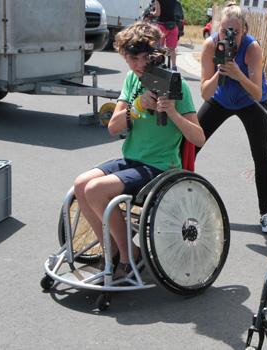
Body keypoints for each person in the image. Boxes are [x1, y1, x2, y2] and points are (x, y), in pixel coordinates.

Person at [73, 21, 205, 278]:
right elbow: (113, 127)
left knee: (95, 189)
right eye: (133, 58)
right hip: (132, 160)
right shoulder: (132, 81)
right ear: (124, 57)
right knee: (81, 185)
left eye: (146, 58)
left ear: (157, 55)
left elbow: (198, 138)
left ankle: (129, 254)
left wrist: (173, 114)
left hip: (159, 166)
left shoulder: (177, 85)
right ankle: (110, 249)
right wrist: (137, 106)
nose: (139, 65)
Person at [196, 4, 267, 234]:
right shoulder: (210, 45)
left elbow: (257, 93)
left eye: (234, 32)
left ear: (244, 31)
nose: (228, 36)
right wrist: (220, 72)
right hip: (220, 99)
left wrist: (237, 74)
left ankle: (266, 213)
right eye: (224, 31)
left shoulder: (252, 48)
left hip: (249, 101)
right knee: (191, 143)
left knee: (261, 152)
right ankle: (173, 196)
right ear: (217, 29)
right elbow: (204, 92)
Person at [151, 0, 179, 70]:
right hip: (173, 25)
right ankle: (174, 65)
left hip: (162, 25)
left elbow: (157, 13)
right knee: (172, 49)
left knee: (159, 47)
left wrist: (152, 13)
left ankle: (160, 64)